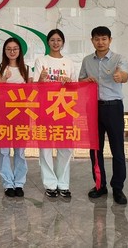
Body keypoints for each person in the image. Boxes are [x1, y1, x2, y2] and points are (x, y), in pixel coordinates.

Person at [79, 26, 128, 205]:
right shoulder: (87, 60)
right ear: (92, 40)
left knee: (117, 149)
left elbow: (124, 75)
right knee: (95, 149)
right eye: (97, 39)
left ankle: (118, 188)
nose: (100, 42)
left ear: (110, 40)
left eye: (104, 39)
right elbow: (80, 81)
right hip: (93, 108)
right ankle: (100, 185)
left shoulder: (118, 59)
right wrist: (85, 81)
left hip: (113, 107)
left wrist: (120, 76)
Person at [33, 29, 77, 198]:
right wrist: (41, 79)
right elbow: (35, 87)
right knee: (45, 147)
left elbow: (76, 88)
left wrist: (69, 83)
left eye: (59, 40)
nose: (55, 43)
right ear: (48, 42)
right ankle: (50, 184)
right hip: (45, 108)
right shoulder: (41, 60)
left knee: (65, 147)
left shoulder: (69, 62)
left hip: (64, 108)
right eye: (52, 40)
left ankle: (63, 184)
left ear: (63, 42)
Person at [0, 37, 32, 198]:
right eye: (8, 49)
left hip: (22, 113)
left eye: (15, 48)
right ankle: (8, 183)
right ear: (4, 51)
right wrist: (4, 79)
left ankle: (19, 182)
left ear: (19, 51)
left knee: (20, 150)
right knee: (4, 150)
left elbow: (31, 91)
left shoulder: (27, 69)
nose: (12, 51)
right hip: (3, 113)